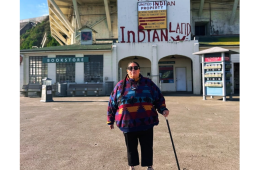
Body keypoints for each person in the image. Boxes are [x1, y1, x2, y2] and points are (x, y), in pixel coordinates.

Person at [107, 61, 169, 170]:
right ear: (127, 71)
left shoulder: (148, 83)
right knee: (131, 147)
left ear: (139, 70)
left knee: (147, 146)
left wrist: (163, 109)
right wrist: (110, 120)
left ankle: (149, 166)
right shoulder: (120, 85)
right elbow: (112, 103)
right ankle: (132, 166)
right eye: (130, 68)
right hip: (127, 123)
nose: (133, 70)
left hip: (146, 122)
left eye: (135, 68)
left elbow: (158, 98)